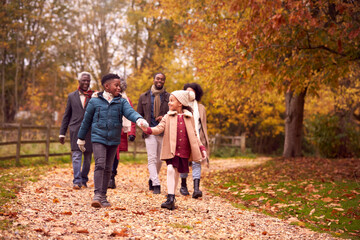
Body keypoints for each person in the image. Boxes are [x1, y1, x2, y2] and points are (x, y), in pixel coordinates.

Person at [77, 73, 148, 208]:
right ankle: (97, 195)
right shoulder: (94, 101)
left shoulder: (121, 102)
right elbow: (86, 121)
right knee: (100, 164)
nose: (119, 88)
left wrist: (139, 119)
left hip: (114, 139)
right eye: (116, 85)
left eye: (119, 85)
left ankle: (103, 196)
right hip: (98, 137)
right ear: (107, 86)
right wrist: (80, 138)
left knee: (108, 168)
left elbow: (130, 112)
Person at [140, 90, 207, 210]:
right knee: (170, 169)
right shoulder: (168, 116)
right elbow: (159, 128)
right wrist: (148, 130)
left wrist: (201, 147)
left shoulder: (189, 117)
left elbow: (195, 135)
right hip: (172, 149)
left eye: (172, 101)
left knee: (176, 172)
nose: (169, 103)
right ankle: (170, 197)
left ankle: (172, 198)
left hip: (184, 150)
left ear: (180, 103)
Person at [59, 71, 94, 189]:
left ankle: (84, 180)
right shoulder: (71, 96)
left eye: (88, 80)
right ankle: (76, 181)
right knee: (76, 156)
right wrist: (62, 133)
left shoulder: (94, 96)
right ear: (79, 81)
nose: (86, 82)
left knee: (88, 158)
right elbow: (66, 116)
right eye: (84, 80)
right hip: (75, 130)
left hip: (90, 131)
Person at [137, 73, 170, 194]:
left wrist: (164, 117)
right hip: (149, 131)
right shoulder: (144, 97)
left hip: (162, 132)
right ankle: (156, 183)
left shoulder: (168, 97)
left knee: (160, 160)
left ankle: (152, 178)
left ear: (164, 81)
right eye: (158, 78)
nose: (160, 81)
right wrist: (142, 125)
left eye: (162, 79)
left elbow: (172, 113)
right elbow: (138, 114)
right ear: (154, 80)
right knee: (151, 158)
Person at [179, 83, 209, 198]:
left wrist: (203, 138)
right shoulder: (181, 106)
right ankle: (183, 185)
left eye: (192, 91)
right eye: (187, 91)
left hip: (197, 138)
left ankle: (196, 188)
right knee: (184, 162)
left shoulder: (201, 108)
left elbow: (203, 124)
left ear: (196, 93)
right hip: (184, 138)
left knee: (197, 161)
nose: (190, 93)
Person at [108, 78, 136, 189]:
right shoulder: (107, 98)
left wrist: (131, 133)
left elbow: (131, 116)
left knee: (116, 155)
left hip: (120, 132)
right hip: (108, 130)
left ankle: (112, 175)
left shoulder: (126, 100)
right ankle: (107, 176)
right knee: (109, 153)